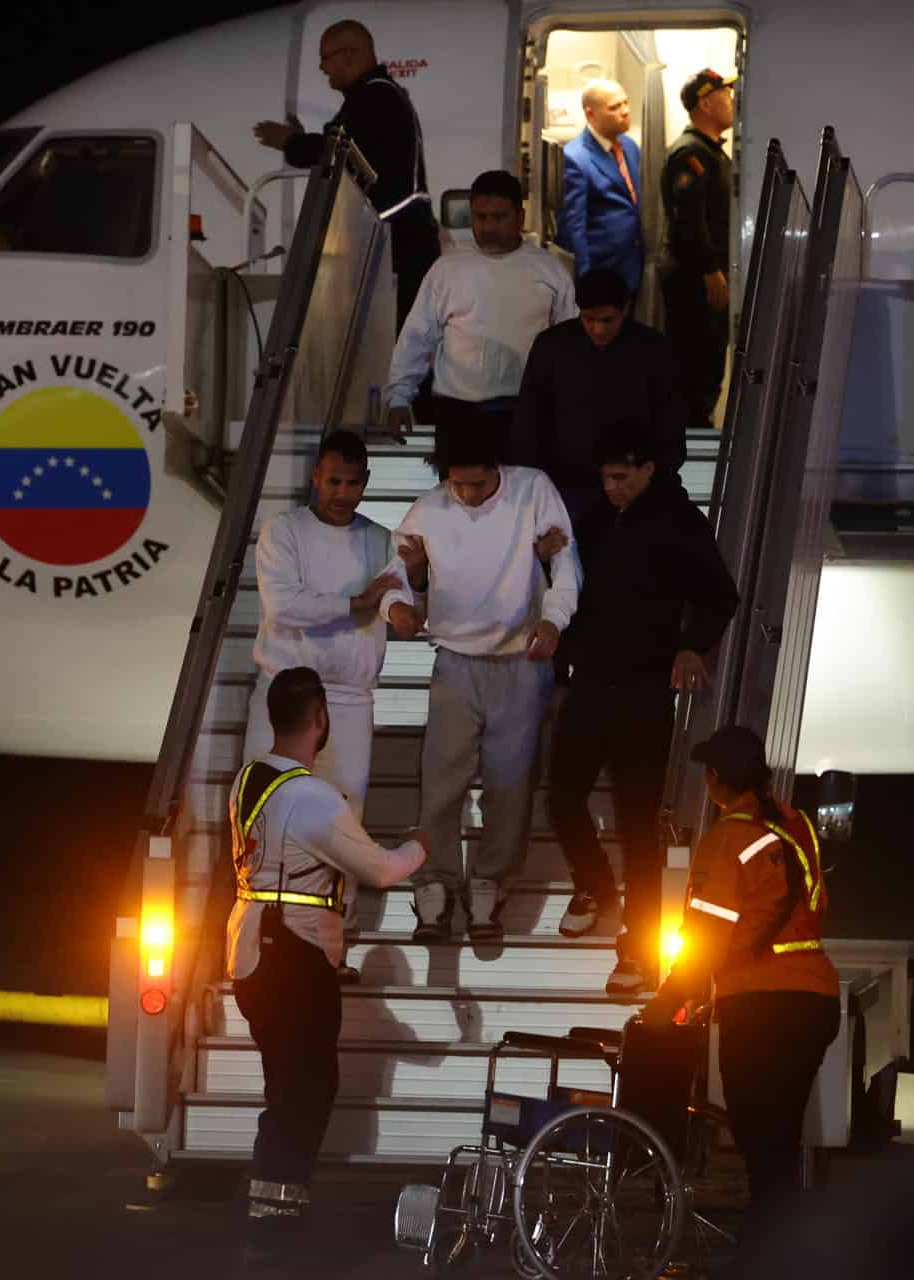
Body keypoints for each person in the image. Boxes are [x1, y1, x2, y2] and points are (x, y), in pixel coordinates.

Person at [226, 667, 429, 1249]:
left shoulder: (249, 779)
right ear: (320, 720)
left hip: (252, 944)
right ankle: (275, 1214)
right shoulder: (310, 797)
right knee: (305, 1085)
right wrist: (423, 845)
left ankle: (275, 1204)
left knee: (289, 1081)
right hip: (290, 952)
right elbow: (381, 870)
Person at [546, 423, 739, 993]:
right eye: (606, 477)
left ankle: (637, 953)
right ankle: (597, 886)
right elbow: (572, 590)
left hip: (644, 691)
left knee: (637, 826)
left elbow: (719, 595)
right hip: (591, 681)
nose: (612, 488)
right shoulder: (595, 519)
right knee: (562, 795)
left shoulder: (679, 524)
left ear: (649, 470)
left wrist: (691, 646)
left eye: (621, 477)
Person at [377, 420, 580, 942]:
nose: (466, 495)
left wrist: (555, 620)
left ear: (499, 469)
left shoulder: (532, 489)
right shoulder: (429, 508)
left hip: (522, 659)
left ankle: (491, 880)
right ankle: (435, 881)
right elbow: (394, 573)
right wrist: (399, 603)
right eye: (457, 484)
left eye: (478, 484)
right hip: (455, 660)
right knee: (440, 781)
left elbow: (565, 561)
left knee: (510, 784)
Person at [642, 724, 840, 1245]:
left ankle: (768, 1250)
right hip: (815, 998)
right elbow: (814, 905)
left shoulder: (725, 841)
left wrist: (665, 1005)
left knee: (758, 1137)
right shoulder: (796, 826)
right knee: (780, 1133)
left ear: (713, 781)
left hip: (761, 1007)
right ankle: (784, 1244)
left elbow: (704, 939)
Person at [245, 429, 400, 978]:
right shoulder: (282, 531)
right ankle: (253, 940)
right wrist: (356, 603)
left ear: (365, 484)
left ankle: (332, 948)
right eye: (333, 480)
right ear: (316, 475)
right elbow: (284, 605)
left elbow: (398, 592)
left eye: (352, 482)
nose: (341, 491)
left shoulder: (381, 539)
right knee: (268, 812)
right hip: (286, 689)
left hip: (351, 696)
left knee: (343, 822)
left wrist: (400, 608)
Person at [254, 19, 440, 331]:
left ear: (350, 54)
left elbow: (340, 150)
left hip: (396, 248)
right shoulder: (376, 96)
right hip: (398, 244)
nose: (322, 68)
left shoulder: (374, 97)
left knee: (397, 351)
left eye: (326, 57)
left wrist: (290, 142)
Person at [384, 170, 577, 457]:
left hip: (526, 414)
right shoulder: (446, 270)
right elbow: (416, 336)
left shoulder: (549, 271)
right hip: (458, 412)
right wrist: (398, 397)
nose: (488, 227)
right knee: (459, 498)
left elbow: (570, 345)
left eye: (499, 217)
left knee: (523, 498)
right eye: (480, 217)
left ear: (520, 217)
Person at [511, 266, 691, 528]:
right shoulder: (553, 347)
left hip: (632, 486)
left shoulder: (652, 349)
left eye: (607, 320)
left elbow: (670, 421)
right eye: (589, 320)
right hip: (567, 485)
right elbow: (530, 421)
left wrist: (650, 477)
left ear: (625, 310)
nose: (597, 329)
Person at [659, 69, 738, 432]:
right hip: (696, 280)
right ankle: (689, 443)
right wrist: (711, 271)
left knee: (708, 365)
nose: (732, 102)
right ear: (706, 103)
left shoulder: (710, 153)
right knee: (695, 366)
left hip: (707, 275)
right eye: (726, 95)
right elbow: (688, 220)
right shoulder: (691, 154)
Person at [557, 78, 644, 296]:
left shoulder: (630, 147)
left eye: (626, 103)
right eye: (614, 107)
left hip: (633, 264)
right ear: (590, 114)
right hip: (601, 269)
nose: (625, 111)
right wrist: (586, 279)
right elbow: (574, 226)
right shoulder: (576, 157)